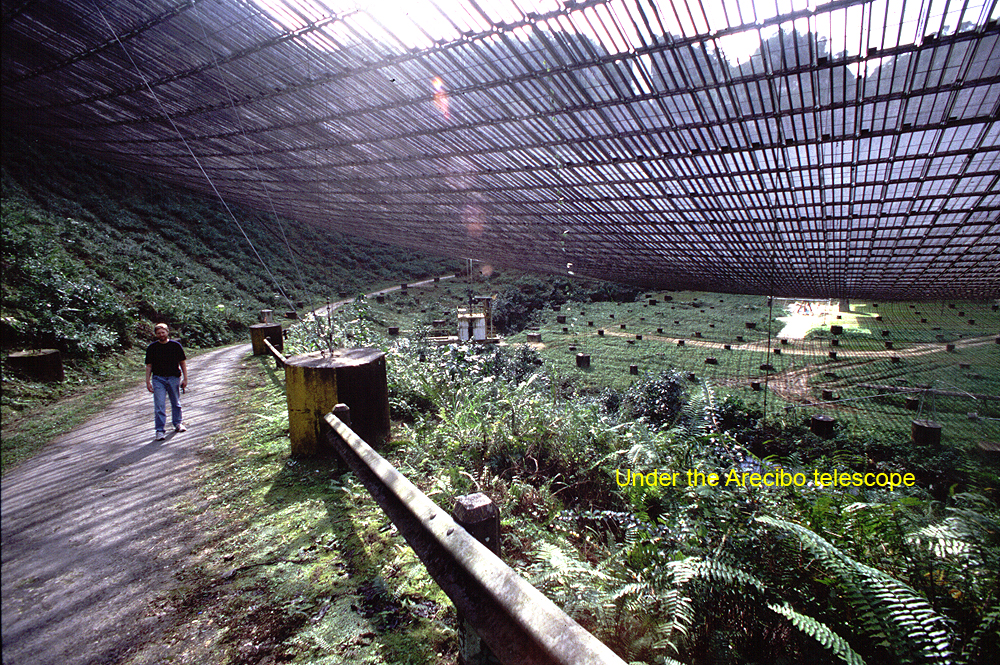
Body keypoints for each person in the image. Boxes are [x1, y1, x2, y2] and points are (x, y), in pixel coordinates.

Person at [145, 323, 188, 440]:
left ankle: (178, 424)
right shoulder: (152, 348)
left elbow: (182, 363)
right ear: (156, 334)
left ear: (167, 332)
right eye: (158, 333)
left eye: (163, 332)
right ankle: (159, 430)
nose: (161, 335)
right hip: (158, 378)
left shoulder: (176, 346)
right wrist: (148, 381)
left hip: (174, 377)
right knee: (159, 405)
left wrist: (185, 378)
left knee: (176, 402)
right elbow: (149, 366)